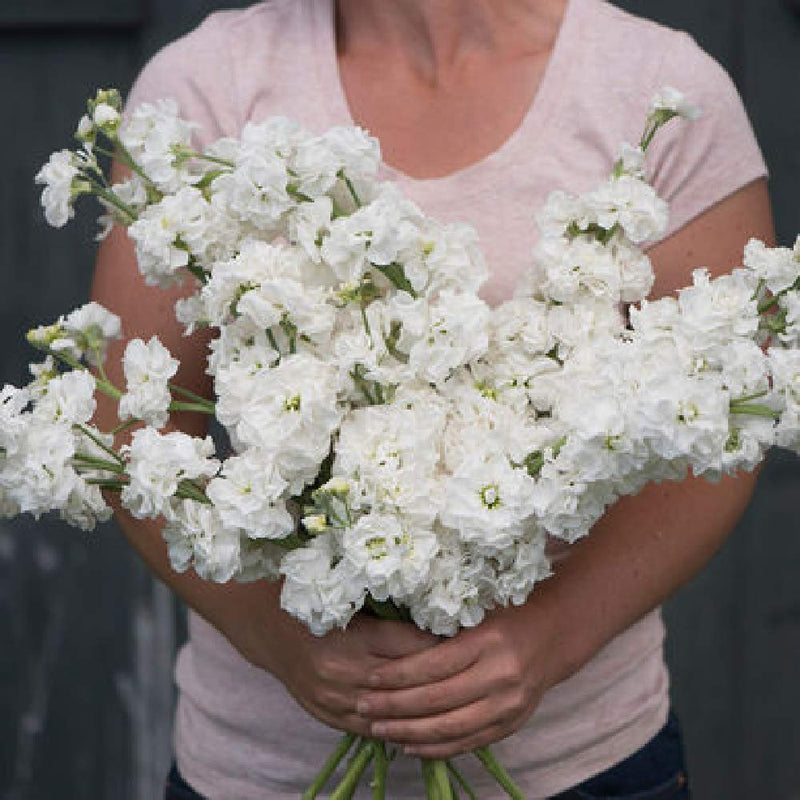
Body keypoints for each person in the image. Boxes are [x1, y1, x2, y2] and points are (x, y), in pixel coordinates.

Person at [91, 0, 774, 797]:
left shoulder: (660, 89)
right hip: (265, 772)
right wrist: (278, 639)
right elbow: (130, 429)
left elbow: (724, 425)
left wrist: (550, 639)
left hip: (581, 768)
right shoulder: (208, 84)